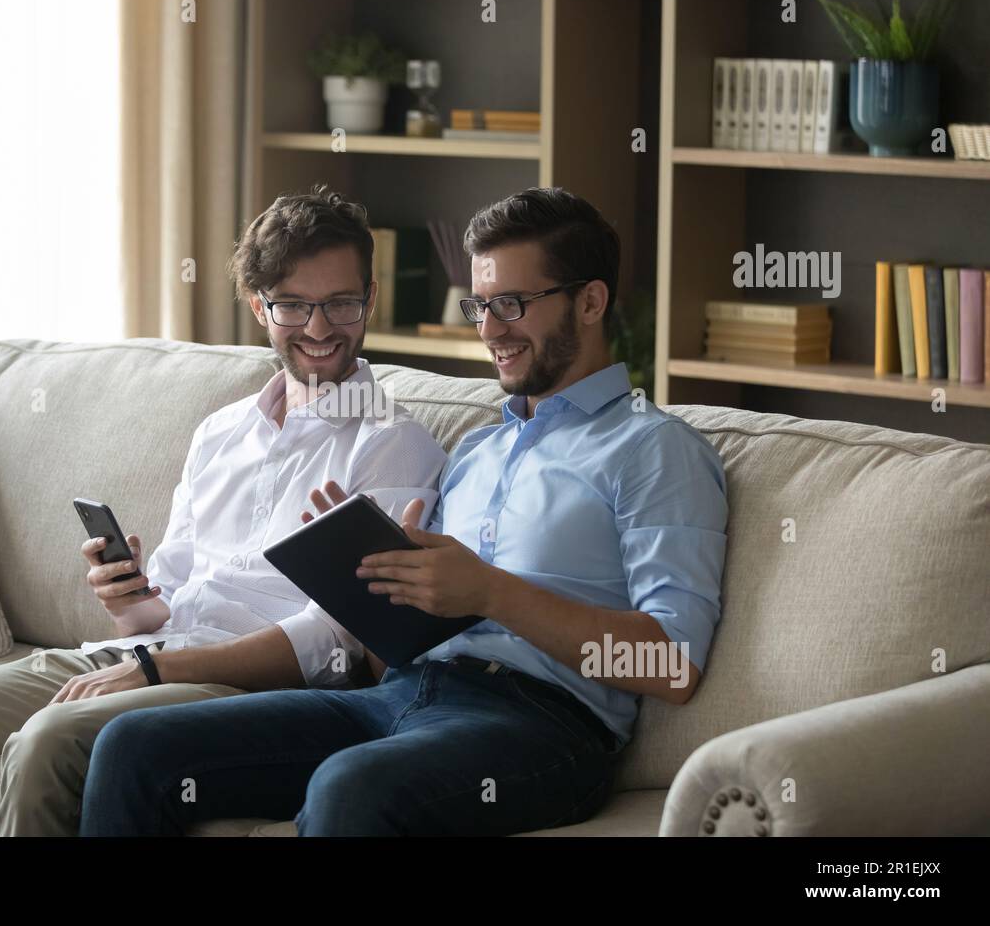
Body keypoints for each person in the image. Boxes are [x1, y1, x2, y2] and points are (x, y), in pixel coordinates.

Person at [0, 186, 446, 836]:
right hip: (139, 650)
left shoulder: (390, 444)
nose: (321, 327)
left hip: (238, 688)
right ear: (258, 305)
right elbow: (168, 600)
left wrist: (157, 668)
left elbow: (335, 644)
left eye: (340, 303)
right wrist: (128, 594)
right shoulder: (222, 431)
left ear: (370, 299)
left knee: (48, 741)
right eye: (295, 306)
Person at [79, 186, 729, 837]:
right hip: (400, 696)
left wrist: (492, 593)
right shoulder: (477, 449)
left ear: (590, 300)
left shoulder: (654, 448)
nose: (490, 330)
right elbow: (386, 657)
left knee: (349, 787)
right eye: (480, 305)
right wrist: (358, 578)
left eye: (513, 304)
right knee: (135, 745)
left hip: (541, 727)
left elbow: (671, 667)